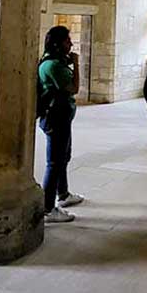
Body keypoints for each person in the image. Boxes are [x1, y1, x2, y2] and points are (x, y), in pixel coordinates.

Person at [37, 26, 85, 224]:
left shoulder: (55, 62)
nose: (71, 44)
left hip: (62, 116)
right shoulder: (53, 66)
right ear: (58, 43)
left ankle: (63, 194)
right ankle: (48, 208)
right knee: (54, 163)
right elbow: (73, 88)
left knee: (63, 157)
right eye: (67, 41)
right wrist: (76, 64)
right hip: (55, 117)